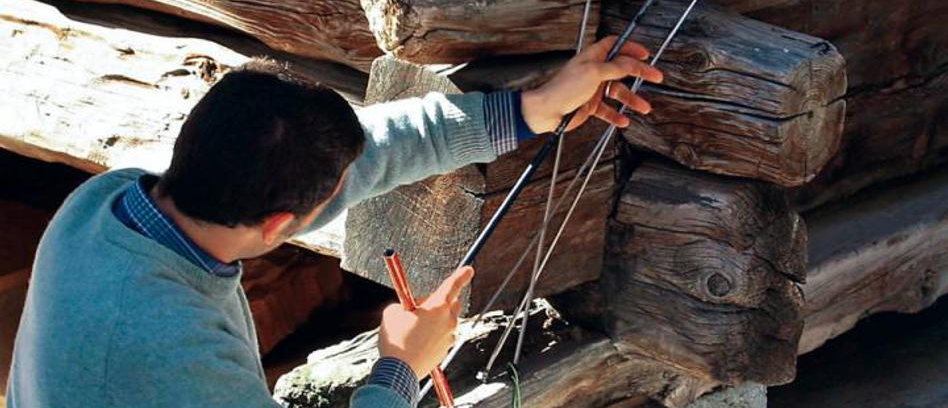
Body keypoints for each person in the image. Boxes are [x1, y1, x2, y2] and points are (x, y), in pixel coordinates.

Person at [6, 36, 662, 408]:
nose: (358, 177)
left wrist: (526, 111)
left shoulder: (114, 201)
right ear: (281, 224)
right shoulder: (173, 352)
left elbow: (365, 151)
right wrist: (400, 366)